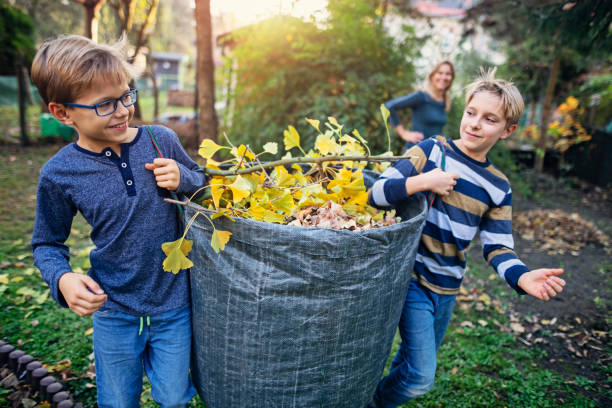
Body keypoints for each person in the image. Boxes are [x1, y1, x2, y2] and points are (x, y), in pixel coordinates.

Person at [368, 68, 565, 408]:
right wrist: (424, 181)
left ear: (508, 130)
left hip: (447, 289)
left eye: (490, 119)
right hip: (412, 279)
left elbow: (497, 246)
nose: (474, 124)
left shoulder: (499, 187)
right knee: (419, 376)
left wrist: (521, 276)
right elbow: (375, 192)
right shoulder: (432, 151)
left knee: (408, 362)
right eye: (471, 113)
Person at [30, 34, 204, 407]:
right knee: (117, 400)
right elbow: (46, 242)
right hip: (113, 309)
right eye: (106, 104)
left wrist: (184, 178)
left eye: (127, 95)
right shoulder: (60, 173)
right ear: (62, 113)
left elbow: (202, 183)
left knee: (174, 398)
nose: (124, 110)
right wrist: (61, 278)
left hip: (173, 304)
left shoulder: (161, 140)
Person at [384, 61, 455, 151]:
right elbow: (389, 106)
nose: (444, 77)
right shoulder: (421, 96)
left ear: (452, 78)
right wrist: (403, 133)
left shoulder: (445, 101)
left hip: (434, 153)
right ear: (432, 76)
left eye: (448, 74)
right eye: (440, 73)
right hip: (415, 153)